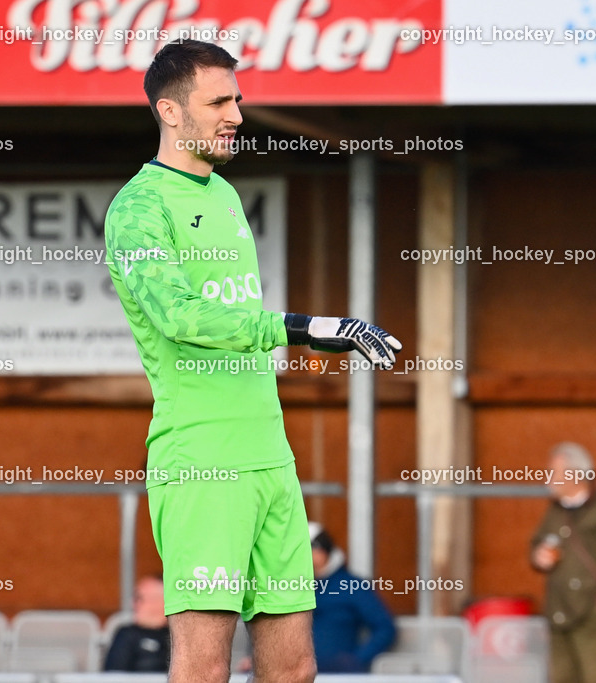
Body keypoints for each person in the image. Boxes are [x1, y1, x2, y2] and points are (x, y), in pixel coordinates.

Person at [104, 39, 402, 683]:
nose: (237, 114)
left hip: (271, 458)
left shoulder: (227, 197)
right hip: (203, 461)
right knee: (206, 668)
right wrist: (302, 327)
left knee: (295, 668)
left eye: (237, 98)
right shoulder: (138, 209)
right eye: (219, 101)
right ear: (171, 111)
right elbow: (180, 317)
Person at [530, 442, 596, 683]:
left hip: (591, 610)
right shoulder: (556, 511)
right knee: (561, 675)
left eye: (554, 473)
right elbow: (539, 541)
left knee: (595, 676)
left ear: (574, 474)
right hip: (558, 608)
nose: (548, 479)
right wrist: (539, 555)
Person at [309, 522, 396, 673]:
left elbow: (384, 627)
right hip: (299, 675)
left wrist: (356, 660)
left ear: (321, 551)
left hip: (339, 677)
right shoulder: (293, 586)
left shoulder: (351, 586)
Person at [104, 575, 170, 672]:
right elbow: (113, 675)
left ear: (162, 601)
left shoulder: (180, 636)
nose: (133, 604)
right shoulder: (127, 634)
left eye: (139, 598)